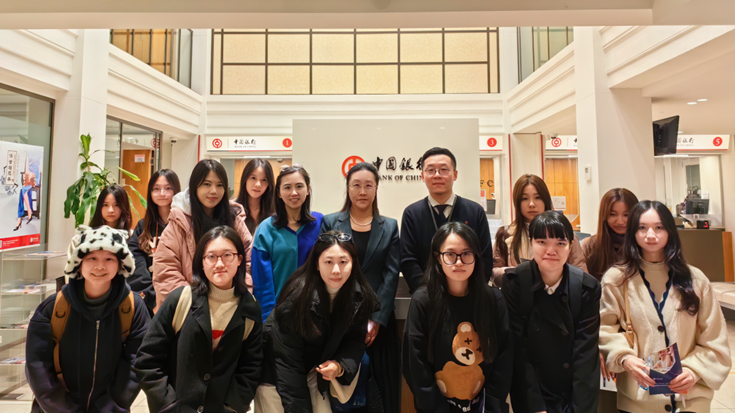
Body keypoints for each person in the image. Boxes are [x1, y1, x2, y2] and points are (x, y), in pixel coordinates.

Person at [599, 201, 731, 413]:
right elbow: (604, 330)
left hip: (690, 400)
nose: (650, 235)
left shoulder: (696, 280)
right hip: (638, 402)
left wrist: (694, 370)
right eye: (642, 228)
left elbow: (715, 338)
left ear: (670, 230)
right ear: (633, 232)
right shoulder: (616, 280)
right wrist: (625, 358)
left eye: (659, 227)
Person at [136, 226, 262, 413]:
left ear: (239, 260)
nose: (220, 264)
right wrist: (167, 404)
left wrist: (233, 407)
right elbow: (147, 358)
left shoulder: (250, 308)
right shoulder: (180, 299)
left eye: (227, 255)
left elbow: (250, 368)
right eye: (211, 257)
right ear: (201, 263)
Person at [26, 225, 150, 413]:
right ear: (78, 263)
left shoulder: (133, 307)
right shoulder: (52, 308)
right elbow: (37, 367)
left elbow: (135, 363)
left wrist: (110, 407)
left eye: (109, 259)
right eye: (92, 258)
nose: (100, 266)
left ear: (120, 264)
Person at [255, 231, 379, 413]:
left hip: (312, 370)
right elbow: (288, 369)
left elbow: (356, 338)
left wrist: (340, 366)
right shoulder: (297, 299)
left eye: (343, 262)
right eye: (328, 262)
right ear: (317, 264)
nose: (336, 270)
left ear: (353, 263)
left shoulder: (358, 295)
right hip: (275, 376)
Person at [403, 222, 512, 413]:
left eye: (467, 253)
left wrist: (492, 406)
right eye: (450, 254)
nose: (459, 262)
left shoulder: (493, 299)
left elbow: (504, 357)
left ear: (476, 257)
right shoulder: (422, 301)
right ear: (438, 257)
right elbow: (415, 364)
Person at [321, 162, 401, 413]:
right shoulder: (330, 222)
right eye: (356, 185)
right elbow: (324, 267)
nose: (362, 191)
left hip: (379, 321)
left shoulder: (389, 226)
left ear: (376, 189)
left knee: (382, 386)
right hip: (340, 316)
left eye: (369, 185)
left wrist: (376, 318)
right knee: (343, 389)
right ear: (348, 188)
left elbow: (391, 274)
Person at [503, 211, 601, 413]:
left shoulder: (586, 288)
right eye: (542, 242)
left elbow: (586, 354)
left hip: (571, 392)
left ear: (570, 246)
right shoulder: (515, 283)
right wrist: (535, 407)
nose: (551, 250)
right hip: (530, 391)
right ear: (531, 242)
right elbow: (519, 349)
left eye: (560, 243)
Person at [152, 159, 252, 312]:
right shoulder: (179, 221)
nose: (214, 191)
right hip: (190, 311)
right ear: (195, 186)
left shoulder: (234, 219)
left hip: (231, 307)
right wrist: (197, 303)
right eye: (207, 184)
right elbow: (165, 272)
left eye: (220, 185)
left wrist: (234, 295)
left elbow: (248, 261)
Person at [401, 147, 493, 293]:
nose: (437, 175)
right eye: (431, 170)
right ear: (422, 176)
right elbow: (408, 260)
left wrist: (469, 291)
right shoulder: (412, 214)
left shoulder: (475, 211)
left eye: (444, 170)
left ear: (455, 174)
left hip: (469, 295)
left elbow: (485, 258)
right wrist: (426, 294)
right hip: (426, 297)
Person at [251, 165, 323, 322]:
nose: (294, 193)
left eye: (299, 186)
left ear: (308, 189)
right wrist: (268, 319)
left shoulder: (321, 223)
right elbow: (262, 281)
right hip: (279, 317)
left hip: (316, 314)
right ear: (279, 193)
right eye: (287, 187)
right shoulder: (266, 229)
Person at [493, 174, 586, 283]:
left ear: (546, 200)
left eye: (537, 197)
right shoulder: (506, 234)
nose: (531, 204)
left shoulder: (565, 233)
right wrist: (516, 273)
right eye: (524, 198)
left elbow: (581, 272)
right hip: (519, 291)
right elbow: (493, 273)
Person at [127, 169, 181, 313]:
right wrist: (153, 297)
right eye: (156, 189)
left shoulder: (184, 224)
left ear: (176, 191)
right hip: (150, 300)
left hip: (179, 296)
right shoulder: (142, 226)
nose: (162, 193)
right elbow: (134, 261)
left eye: (168, 188)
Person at [581, 188, 639, 280]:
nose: (620, 222)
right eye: (612, 214)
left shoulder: (642, 245)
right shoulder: (589, 245)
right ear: (604, 215)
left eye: (626, 215)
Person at [236, 158, 276, 235]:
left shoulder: (275, 212)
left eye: (264, 180)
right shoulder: (233, 209)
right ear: (245, 179)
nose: (258, 184)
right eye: (253, 178)